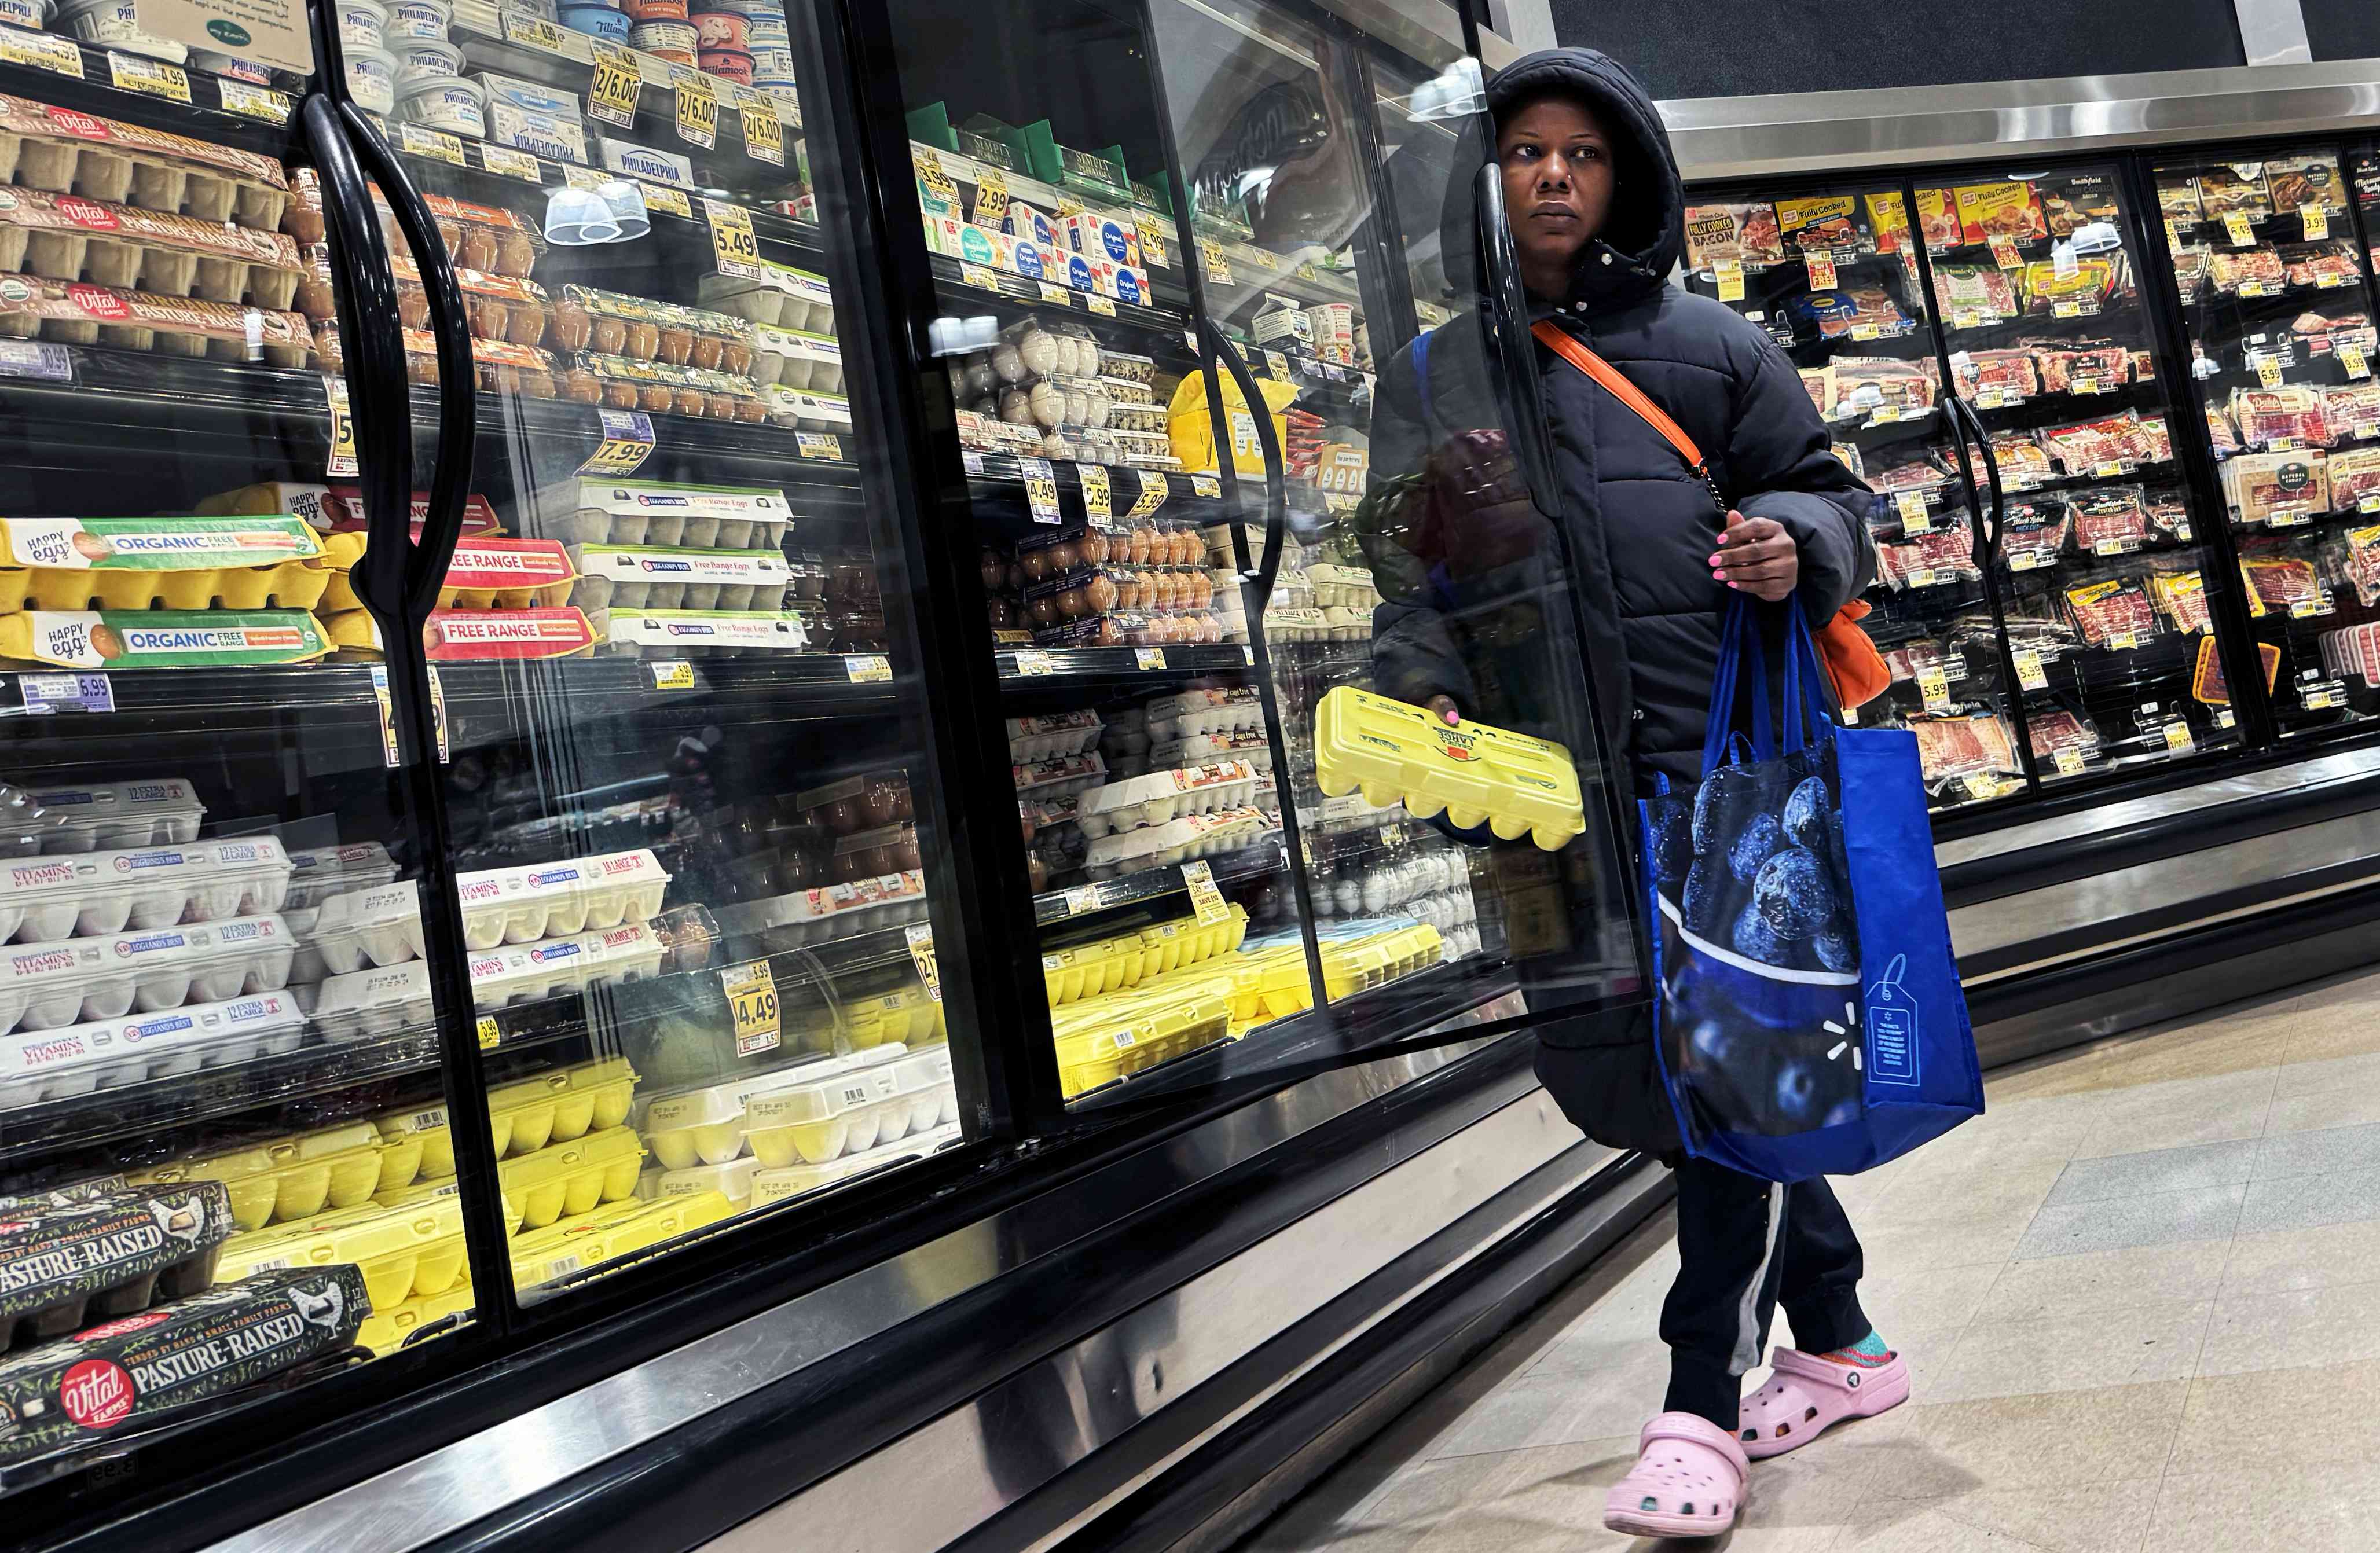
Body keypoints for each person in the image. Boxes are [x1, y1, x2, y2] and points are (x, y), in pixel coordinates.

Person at [1358, 47, 1901, 1541]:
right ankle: (1842, 1335)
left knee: (1734, 1087)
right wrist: (1418, 689)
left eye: (1580, 156)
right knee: (1675, 1089)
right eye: (1525, 151)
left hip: (1724, 787)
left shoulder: (1714, 350)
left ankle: (1697, 1402)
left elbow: (1834, 494)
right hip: (1547, 812)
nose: (1549, 176)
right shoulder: (1428, 380)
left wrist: (1797, 543)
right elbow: (1404, 582)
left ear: (1627, 178)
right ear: (1492, 178)